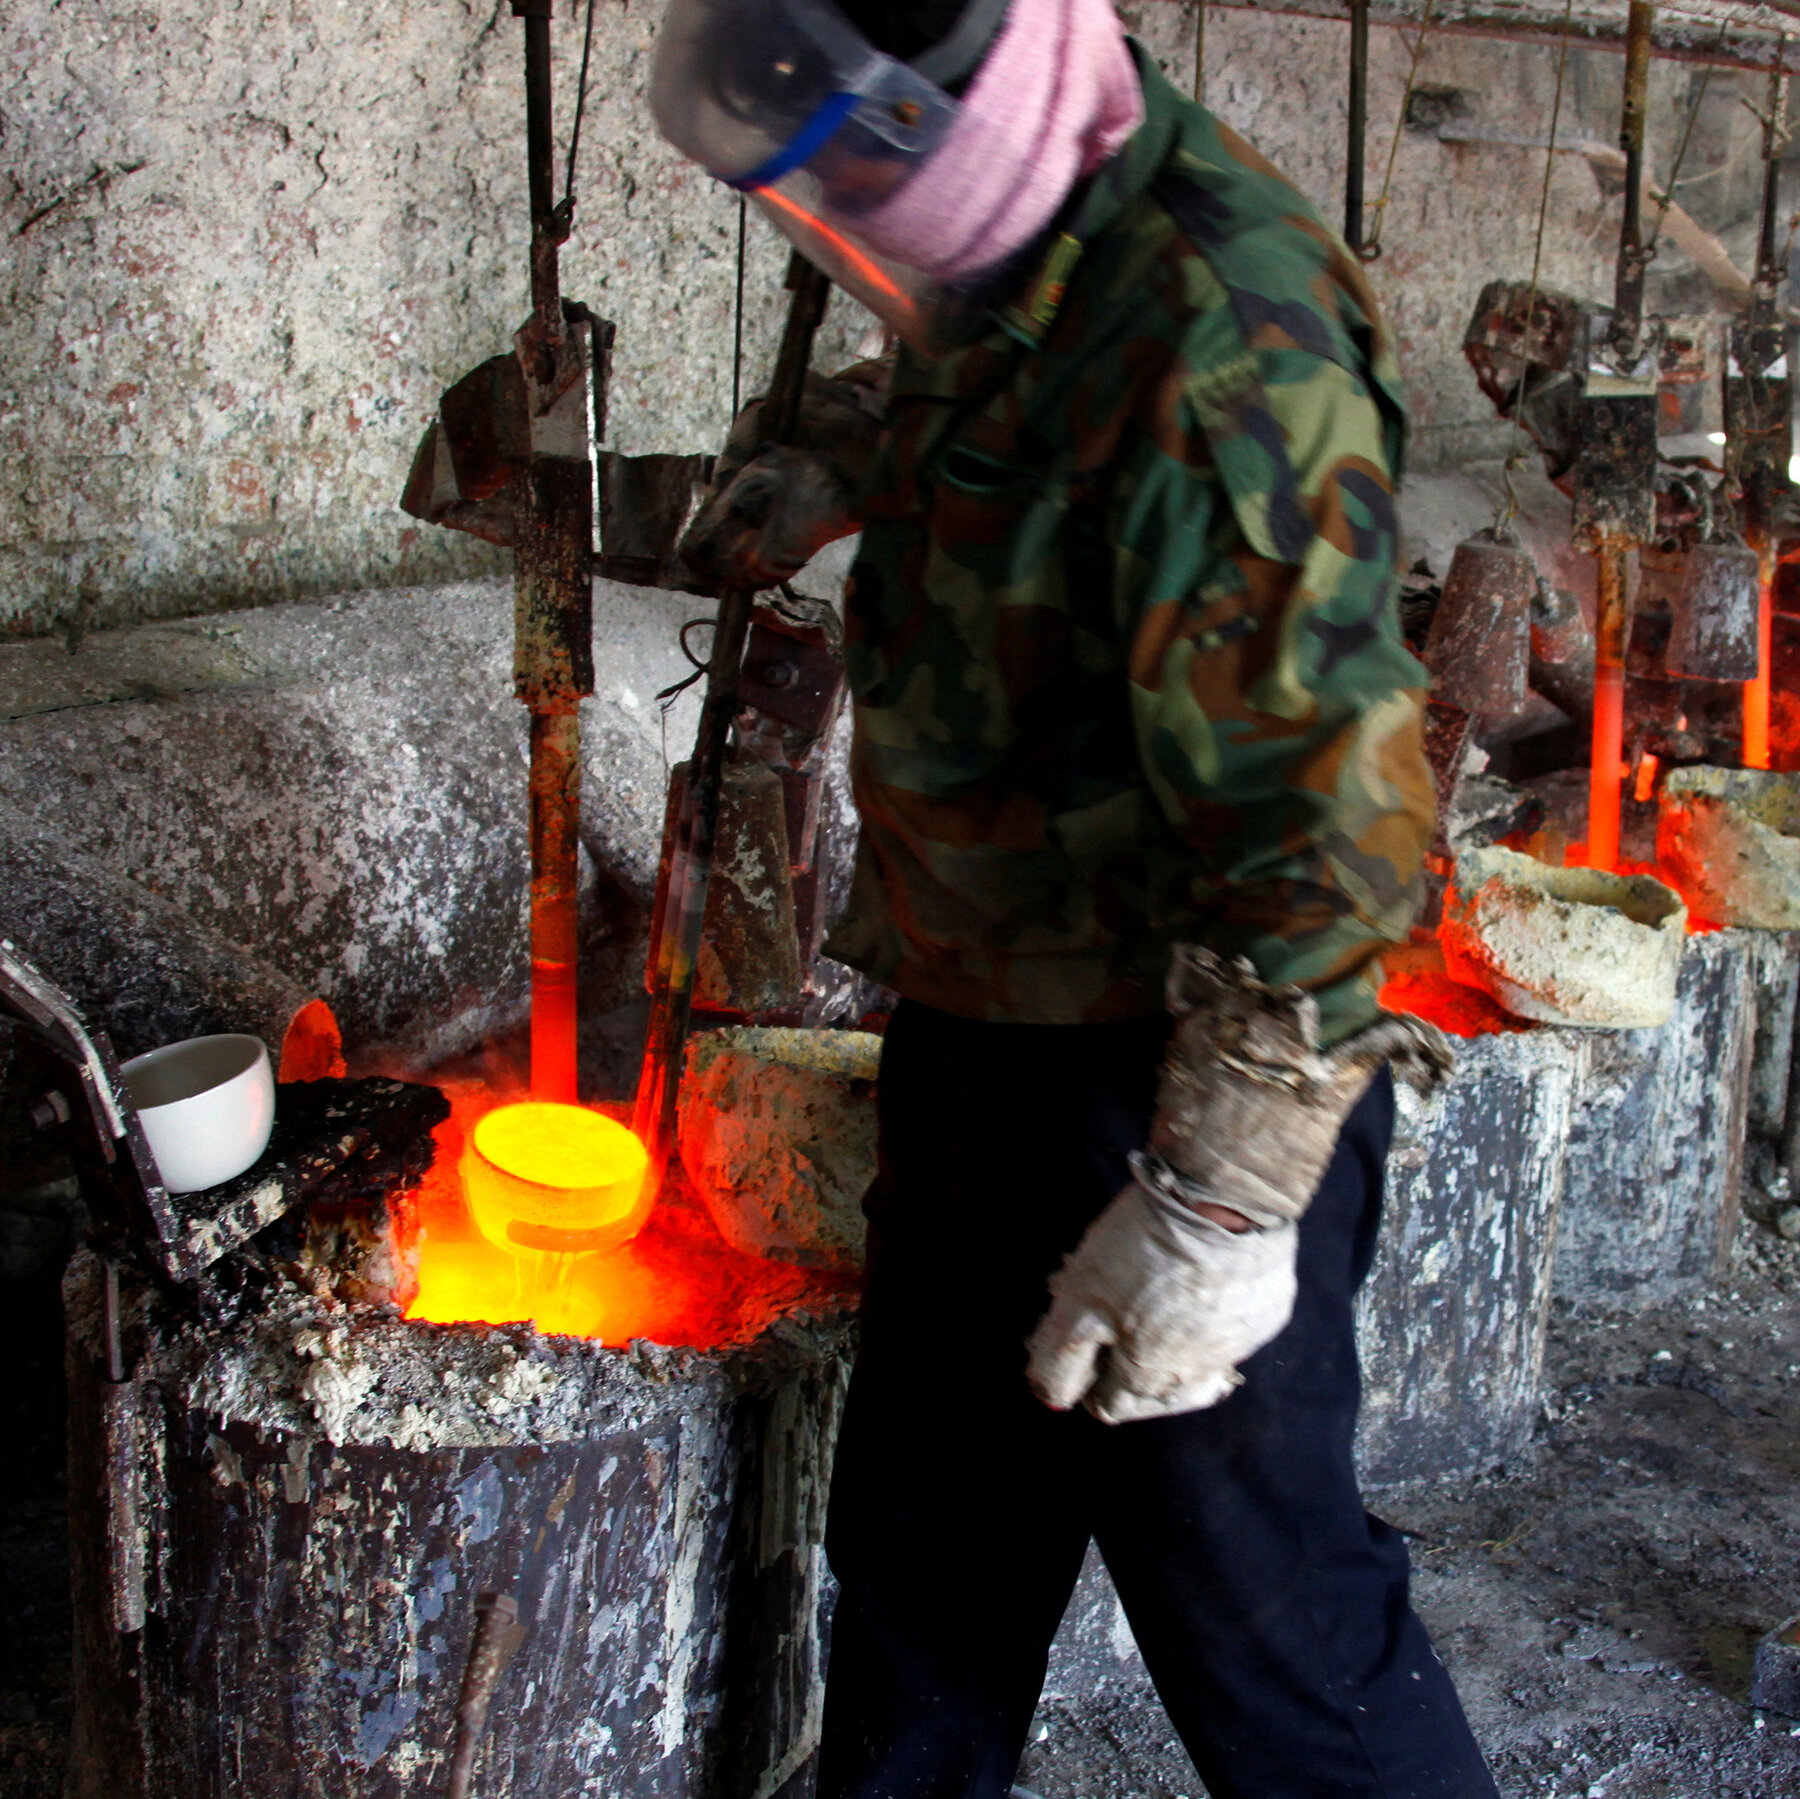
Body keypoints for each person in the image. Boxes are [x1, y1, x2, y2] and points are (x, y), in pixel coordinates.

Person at [650, 1, 1501, 1793]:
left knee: (1276, 1641)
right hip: (979, 1028)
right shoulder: (1030, 216)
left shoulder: (1225, 333)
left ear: (947, 110)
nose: (847, 210)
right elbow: (1001, 405)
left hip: (1171, 1070)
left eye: (857, 165)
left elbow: (1327, 820)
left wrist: (1217, 1203)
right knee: (925, 1581)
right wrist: (845, 456)